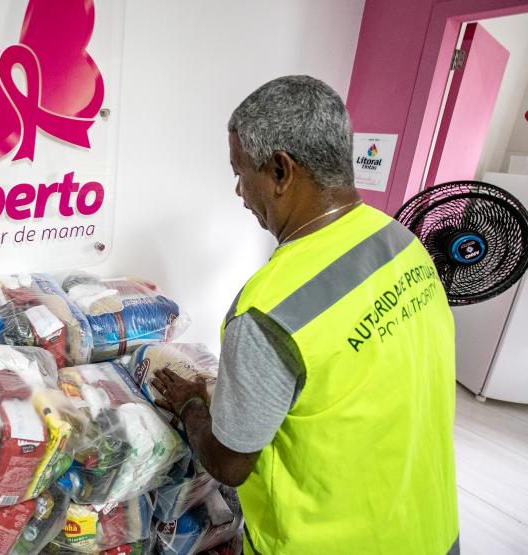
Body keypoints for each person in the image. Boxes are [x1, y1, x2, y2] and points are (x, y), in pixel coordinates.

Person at [151, 75, 459, 554]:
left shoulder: (267, 311)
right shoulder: (401, 242)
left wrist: (192, 405)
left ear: (280, 171)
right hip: (430, 529)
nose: (238, 191)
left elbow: (231, 464)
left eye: (240, 171)